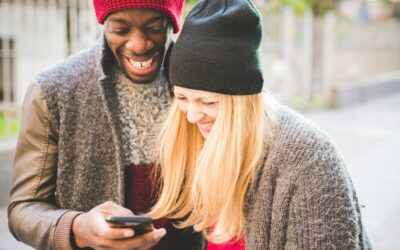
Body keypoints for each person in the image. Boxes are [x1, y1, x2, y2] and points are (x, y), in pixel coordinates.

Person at [148, 0, 371, 249]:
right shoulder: (193, 138)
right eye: (182, 98)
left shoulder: (309, 159)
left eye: (208, 102)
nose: (192, 116)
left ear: (243, 100)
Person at [8, 0, 202, 249]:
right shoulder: (52, 92)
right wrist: (78, 227)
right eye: (121, 30)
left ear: (172, 24)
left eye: (154, 28)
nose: (139, 44)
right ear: (103, 24)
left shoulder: (204, 86)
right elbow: (22, 209)